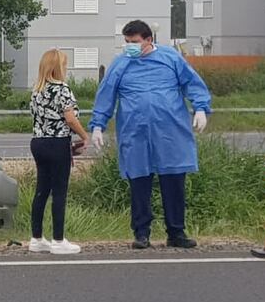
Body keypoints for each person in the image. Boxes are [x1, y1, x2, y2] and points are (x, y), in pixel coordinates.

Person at [88, 20, 212, 250]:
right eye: (126, 42)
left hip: (170, 131)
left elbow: (191, 82)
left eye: (134, 42)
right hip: (135, 133)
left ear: (148, 40)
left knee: (174, 182)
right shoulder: (120, 64)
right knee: (139, 182)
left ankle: (176, 232)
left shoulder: (170, 58)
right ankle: (141, 233)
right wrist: (98, 125)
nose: (130, 46)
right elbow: (106, 94)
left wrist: (201, 108)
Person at [28, 49, 90, 255]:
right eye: (64, 65)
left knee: (42, 190)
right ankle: (58, 239)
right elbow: (70, 118)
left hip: (39, 142)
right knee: (59, 191)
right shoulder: (62, 89)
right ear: (58, 67)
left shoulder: (37, 90)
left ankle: (36, 238)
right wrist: (84, 136)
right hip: (57, 142)